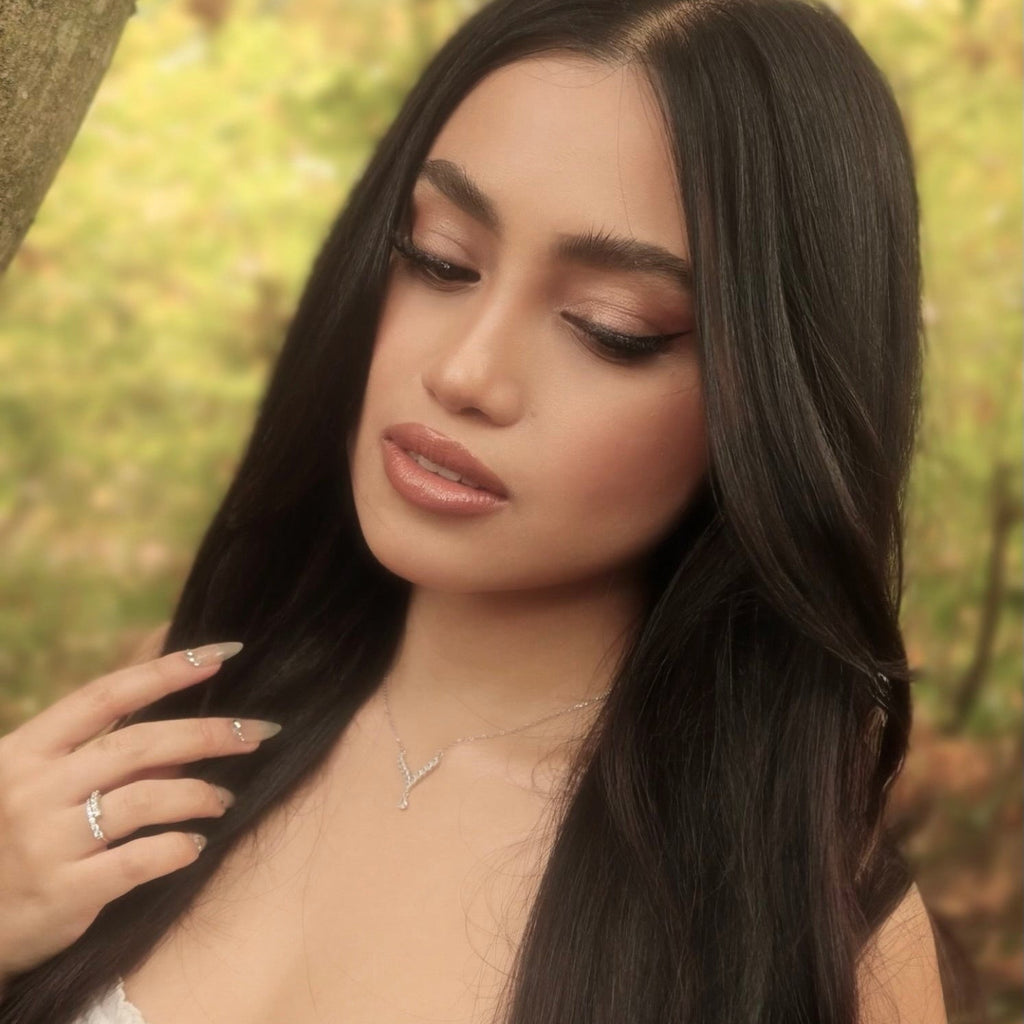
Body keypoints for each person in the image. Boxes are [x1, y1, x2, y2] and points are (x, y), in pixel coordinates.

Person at [0, 0, 949, 1021]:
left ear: (775, 399)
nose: (464, 373)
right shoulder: (173, 719)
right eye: (440, 259)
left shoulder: (805, 927)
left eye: (611, 327)